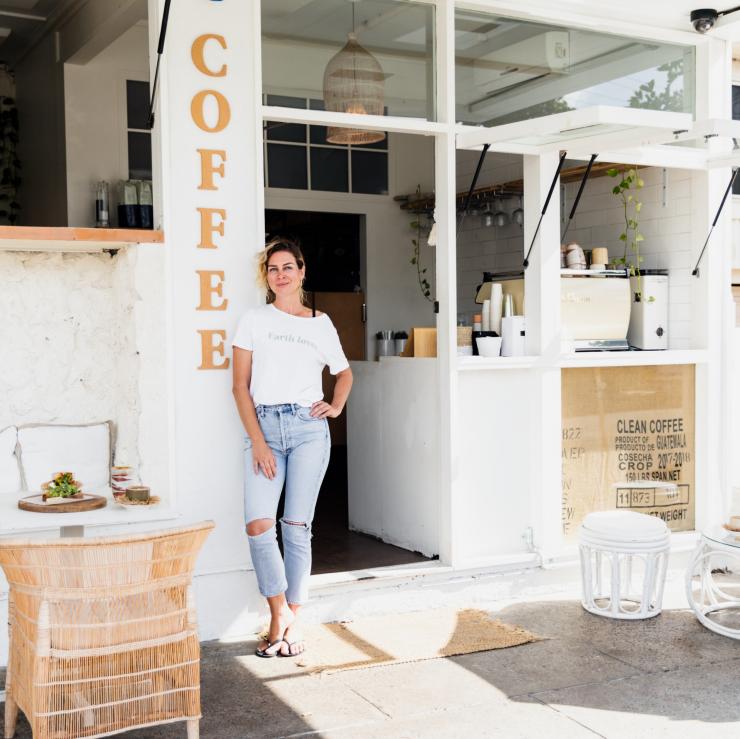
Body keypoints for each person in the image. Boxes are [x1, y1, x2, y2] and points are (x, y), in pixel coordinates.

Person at [232, 238, 353, 658]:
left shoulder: (320, 324)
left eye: (288, 267)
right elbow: (240, 388)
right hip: (265, 426)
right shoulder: (253, 319)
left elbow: (344, 373)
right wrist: (259, 443)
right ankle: (280, 611)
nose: (280, 274)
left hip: (306, 430)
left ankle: (287, 623)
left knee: (296, 527)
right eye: (272, 268)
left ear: (302, 272)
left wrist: (335, 406)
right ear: (266, 277)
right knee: (258, 525)